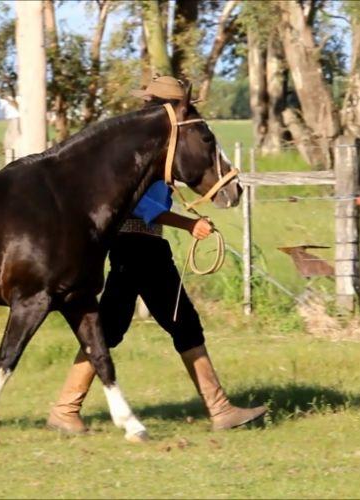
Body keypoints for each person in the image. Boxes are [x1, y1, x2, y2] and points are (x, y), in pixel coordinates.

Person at [47, 76, 267, 433]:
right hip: (139, 245)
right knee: (178, 323)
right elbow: (144, 207)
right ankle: (220, 409)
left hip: (136, 246)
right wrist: (188, 224)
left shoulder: (149, 145)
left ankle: (66, 409)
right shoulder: (149, 149)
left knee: (112, 327)